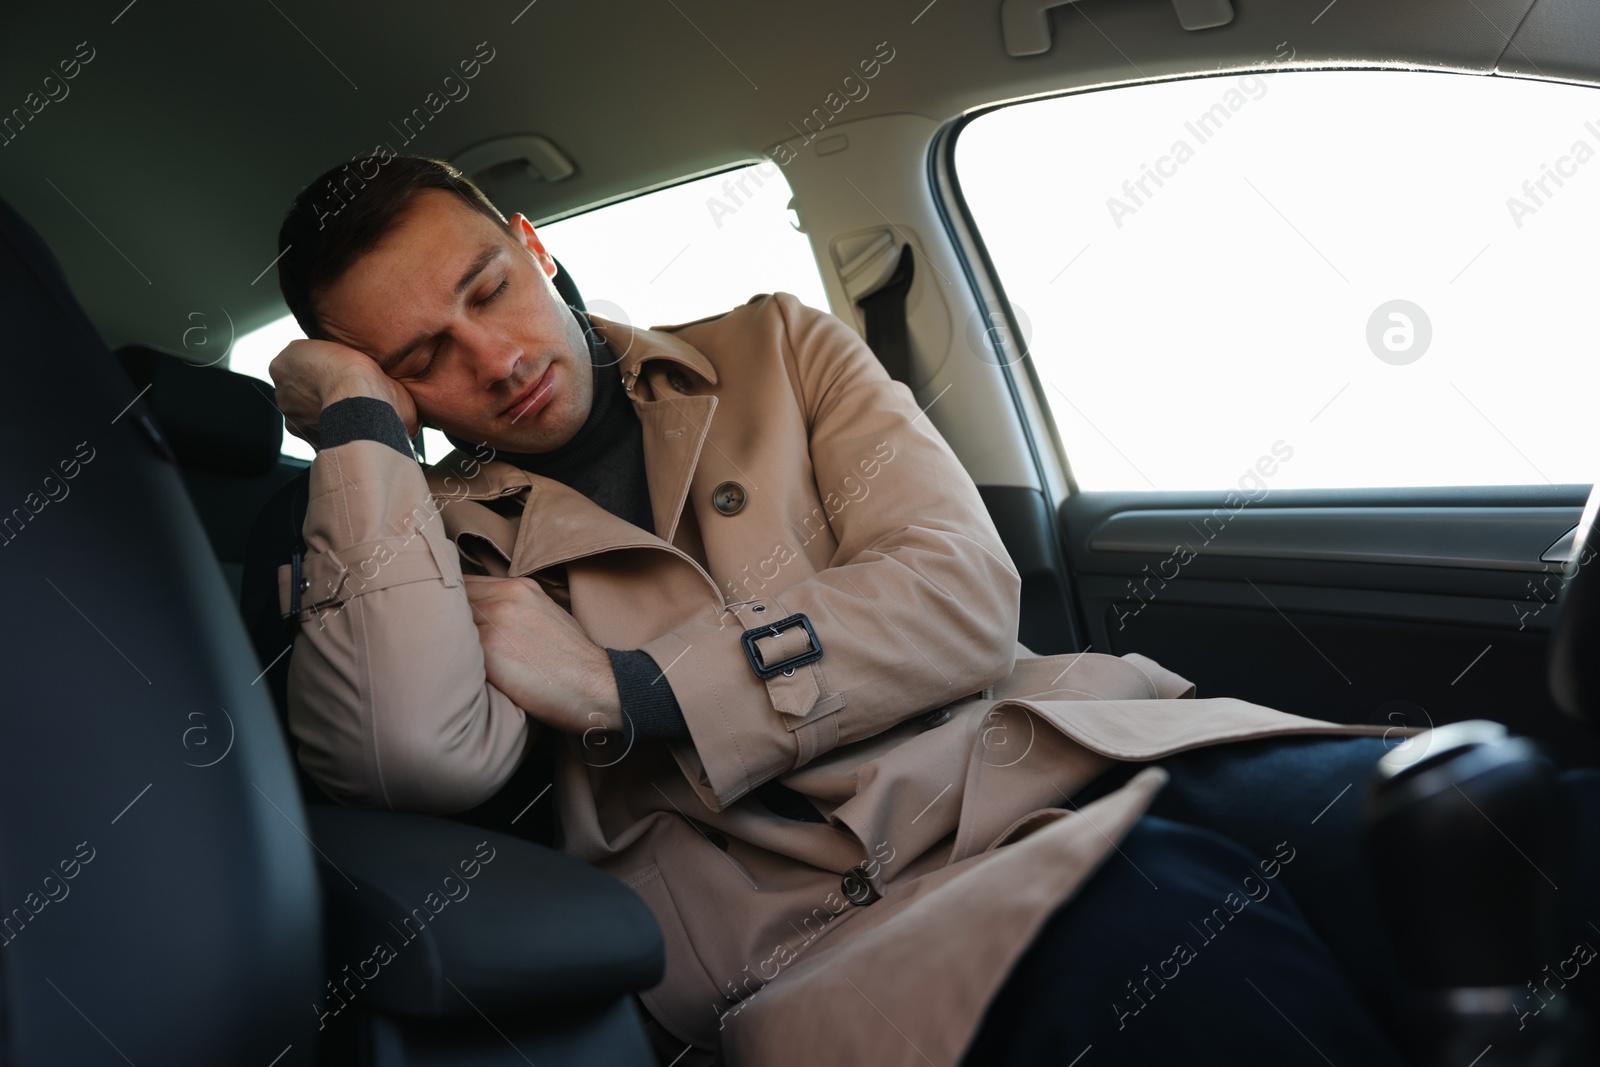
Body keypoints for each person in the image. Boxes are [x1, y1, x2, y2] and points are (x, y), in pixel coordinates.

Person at [264, 155, 1596, 1066]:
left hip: (1083, 762)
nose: (491, 362)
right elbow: (405, 753)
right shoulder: (426, 543)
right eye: (418, 360)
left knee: (1497, 821)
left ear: (534, 247)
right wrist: (363, 433)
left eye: (486, 289)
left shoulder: (772, 346)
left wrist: (635, 689)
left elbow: (959, 592)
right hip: (836, 921)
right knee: (1185, 952)